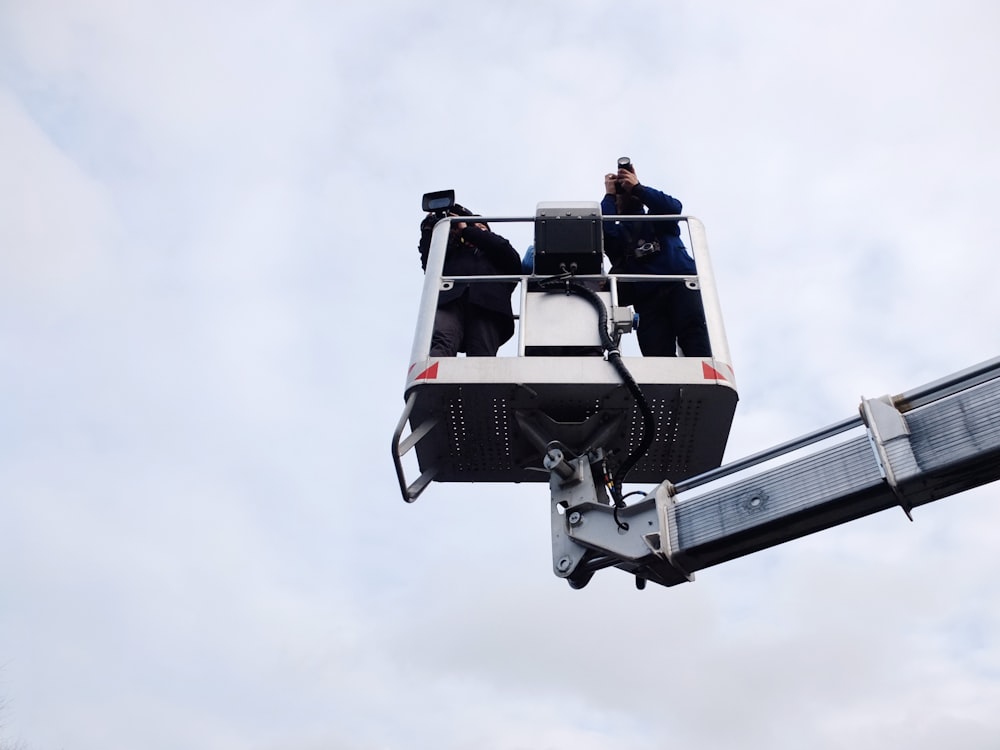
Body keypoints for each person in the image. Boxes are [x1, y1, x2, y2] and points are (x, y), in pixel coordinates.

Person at [601, 160, 711, 357]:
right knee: (657, 356)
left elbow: (674, 207)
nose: (624, 194)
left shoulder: (657, 218)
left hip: (681, 287)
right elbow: (603, 230)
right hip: (647, 300)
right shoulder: (618, 234)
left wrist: (638, 188)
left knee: (695, 340)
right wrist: (610, 195)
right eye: (621, 193)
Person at [418, 203, 522, 357]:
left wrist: (467, 230)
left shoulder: (497, 251)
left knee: (482, 353)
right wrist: (429, 231)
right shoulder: (453, 253)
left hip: (487, 304)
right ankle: (434, 379)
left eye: (480, 225)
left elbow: (505, 252)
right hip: (451, 300)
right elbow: (431, 264)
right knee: (443, 342)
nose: (476, 228)